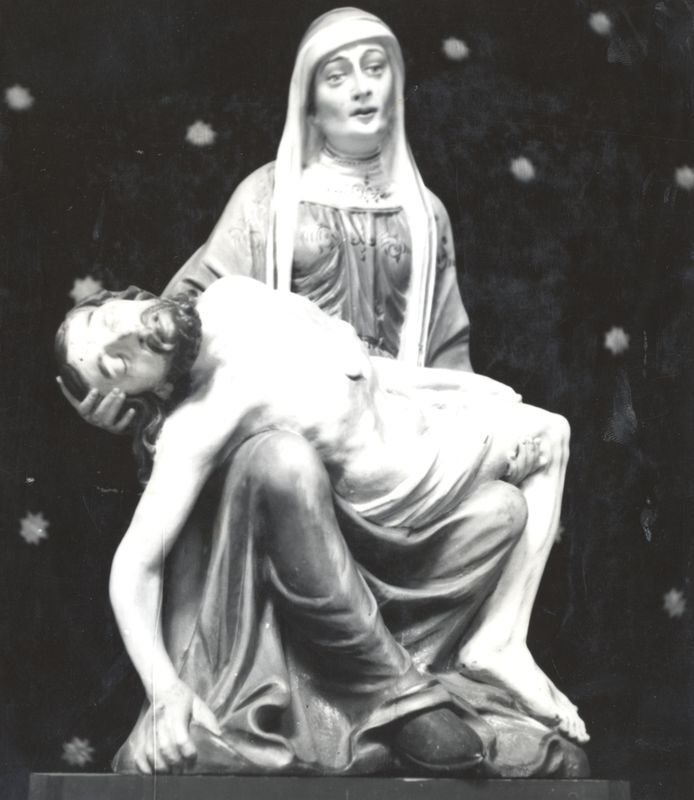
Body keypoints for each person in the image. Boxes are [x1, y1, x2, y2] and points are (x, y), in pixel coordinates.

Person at [58, 8, 588, 777]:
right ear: (307, 99)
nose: (362, 89)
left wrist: (463, 412)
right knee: (282, 461)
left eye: (376, 69)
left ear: (398, 84)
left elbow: (440, 353)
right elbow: (174, 340)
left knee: (505, 506)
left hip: (393, 436)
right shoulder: (266, 201)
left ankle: (465, 666)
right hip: (283, 466)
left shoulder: (423, 216)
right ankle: (394, 701)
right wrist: (135, 409)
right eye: (338, 76)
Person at [57, 275, 588, 773]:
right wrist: (165, 689)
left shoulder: (231, 294)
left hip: (427, 434)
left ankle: (500, 638)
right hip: (396, 497)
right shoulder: (197, 423)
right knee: (549, 437)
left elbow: (358, 366)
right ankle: (484, 651)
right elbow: (135, 565)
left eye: (105, 320)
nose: (126, 336)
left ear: (122, 298)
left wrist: (462, 395)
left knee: (544, 435)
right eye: (116, 365)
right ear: (145, 396)